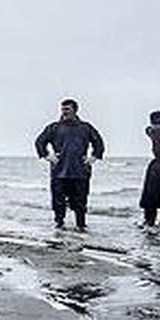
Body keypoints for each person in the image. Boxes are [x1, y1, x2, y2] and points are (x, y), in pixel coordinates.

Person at [34, 98, 105, 231]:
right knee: (58, 201)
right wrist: (48, 156)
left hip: (80, 171)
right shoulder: (54, 127)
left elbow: (99, 142)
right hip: (59, 171)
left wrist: (93, 157)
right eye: (62, 109)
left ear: (75, 110)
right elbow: (39, 142)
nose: (64, 112)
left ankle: (81, 226)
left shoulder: (85, 127)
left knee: (80, 201)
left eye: (67, 109)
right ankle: (59, 225)